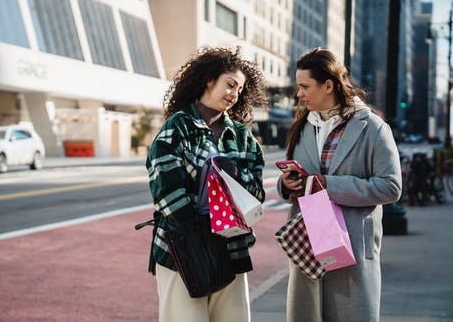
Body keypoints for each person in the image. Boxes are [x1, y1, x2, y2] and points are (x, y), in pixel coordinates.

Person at [277, 48, 401, 322]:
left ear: (328, 86)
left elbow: (390, 187)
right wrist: (287, 185)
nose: (299, 94)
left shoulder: (373, 128)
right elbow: (291, 180)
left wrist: (328, 185)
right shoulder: (302, 127)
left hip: (352, 246)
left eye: (305, 86)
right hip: (308, 244)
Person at [145, 46, 267, 322]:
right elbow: (166, 192)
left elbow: (256, 193)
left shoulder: (242, 136)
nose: (234, 93)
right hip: (183, 250)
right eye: (230, 84)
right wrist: (200, 235)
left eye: (239, 89)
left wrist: (233, 177)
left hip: (232, 248)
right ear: (209, 80)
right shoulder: (177, 128)